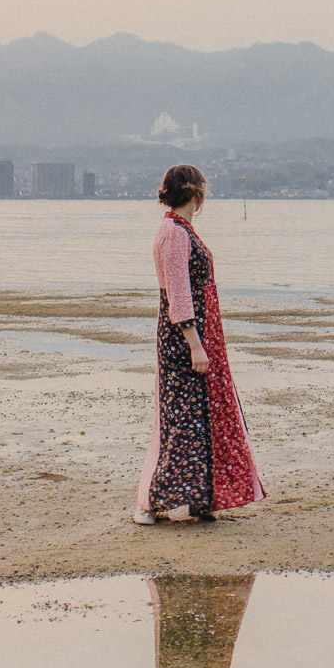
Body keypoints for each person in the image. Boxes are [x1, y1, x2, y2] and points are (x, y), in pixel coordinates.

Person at [134, 164, 265, 523]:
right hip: (185, 338)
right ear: (196, 193)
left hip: (195, 333)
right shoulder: (175, 233)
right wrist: (195, 344)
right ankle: (153, 502)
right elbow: (178, 294)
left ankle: (199, 497)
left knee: (198, 417)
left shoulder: (178, 229)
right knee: (182, 419)